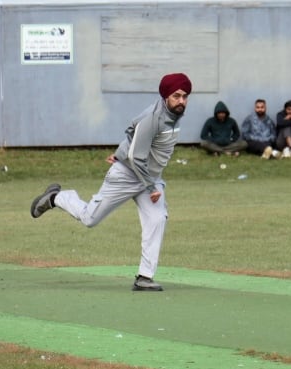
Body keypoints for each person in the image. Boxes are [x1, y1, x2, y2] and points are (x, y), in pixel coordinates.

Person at [29, 73, 193, 292]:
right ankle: (57, 197)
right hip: (127, 175)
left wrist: (120, 151)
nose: (181, 101)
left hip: (148, 177)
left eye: (185, 96)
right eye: (176, 96)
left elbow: (130, 131)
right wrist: (148, 183)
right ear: (165, 96)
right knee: (90, 218)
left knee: (156, 218)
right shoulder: (153, 118)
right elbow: (136, 156)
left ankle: (145, 277)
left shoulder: (173, 115)